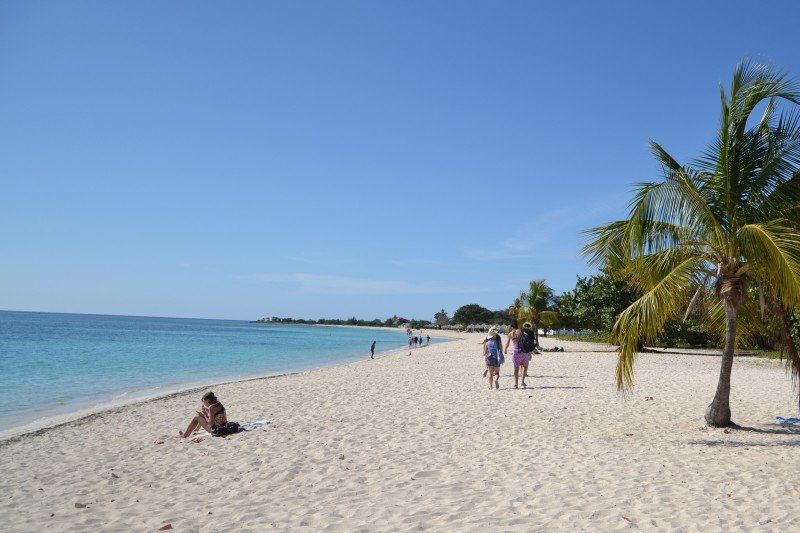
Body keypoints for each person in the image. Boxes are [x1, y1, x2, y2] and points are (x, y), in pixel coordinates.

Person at [505, 319, 533, 388]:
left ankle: (516, 384)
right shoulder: (521, 331)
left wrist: (505, 349)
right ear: (517, 325)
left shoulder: (510, 334)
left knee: (516, 368)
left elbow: (507, 343)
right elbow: (527, 339)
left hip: (515, 352)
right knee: (525, 367)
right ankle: (522, 382)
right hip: (524, 351)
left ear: (511, 326)